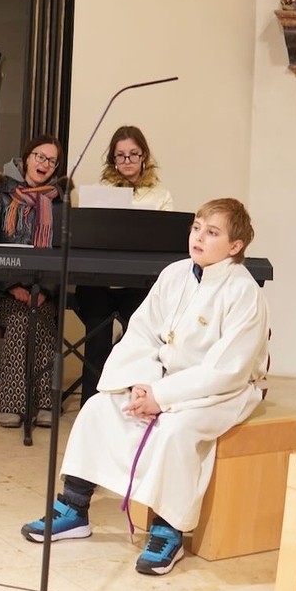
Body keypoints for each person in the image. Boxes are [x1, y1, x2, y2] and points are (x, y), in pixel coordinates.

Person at [20, 198, 268, 576]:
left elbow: (226, 369)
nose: (199, 237)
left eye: (212, 232)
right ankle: (74, 507)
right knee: (100, 408)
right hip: (160, 380)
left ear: (235, 246)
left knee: (176, 430)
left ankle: (167, 530)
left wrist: (162, 397)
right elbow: (141, 334)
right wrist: (142, 382)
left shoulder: (243, 291)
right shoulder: (174, 274)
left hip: (222, 390)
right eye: (196, 227)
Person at [0, 134, 65, 428]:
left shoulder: (58, 202)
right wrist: (11, 287)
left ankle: (45, 402)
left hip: (40, 291)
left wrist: (45, 291)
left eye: (51, 161)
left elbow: (62, 254)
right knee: (23, 318)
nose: (44, 164)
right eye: (39, 156)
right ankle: (11, 402)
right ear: (26, 158)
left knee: (43, 316)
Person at [74, 125, 174, 404]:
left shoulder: (160, 195)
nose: (127, 160)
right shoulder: (98, 192)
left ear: (144, 156)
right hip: (98, 283)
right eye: (121, 155)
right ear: (113, 159)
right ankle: (92, 404)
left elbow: (166, 241)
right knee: (96, 339)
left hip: (139, 285)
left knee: (140, 344)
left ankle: (132, 403)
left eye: (133, 154)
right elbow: (87, 238)